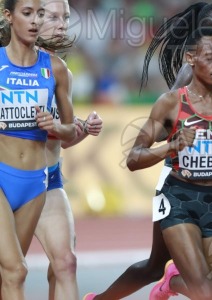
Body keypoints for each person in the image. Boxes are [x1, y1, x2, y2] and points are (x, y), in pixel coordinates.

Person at [84, 3, 212, 300]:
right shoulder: (186, 74)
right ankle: (112, 296)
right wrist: (182, 137)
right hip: (180, 177)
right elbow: (172, 123)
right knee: (154, 265)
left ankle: (180, 279)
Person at [137, 27, 212, 300]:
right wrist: (172, 145)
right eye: (211, 57)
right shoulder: (170, 103)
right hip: (180, 201)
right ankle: (174, 282)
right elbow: (134, 157)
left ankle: (173, 281)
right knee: (204, 292)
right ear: (190, 58)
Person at [0, 0, 75, 298]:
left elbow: (69, 131)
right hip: (1, 178)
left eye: (39, 14)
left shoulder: (56, 68)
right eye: (27, 13)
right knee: (17, 270)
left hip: (35, 183)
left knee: (7, 274)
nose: (35, 21)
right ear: (9, 16)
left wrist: (55, 127)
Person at [32, 1, 103, 299]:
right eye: (54, 17)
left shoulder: (60, 71)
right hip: (5, 182)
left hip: (48, 180)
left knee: (65, 264)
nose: (62, 25)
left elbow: (59, 137)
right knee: (10, 270)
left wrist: (84, 128)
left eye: (66, 18)